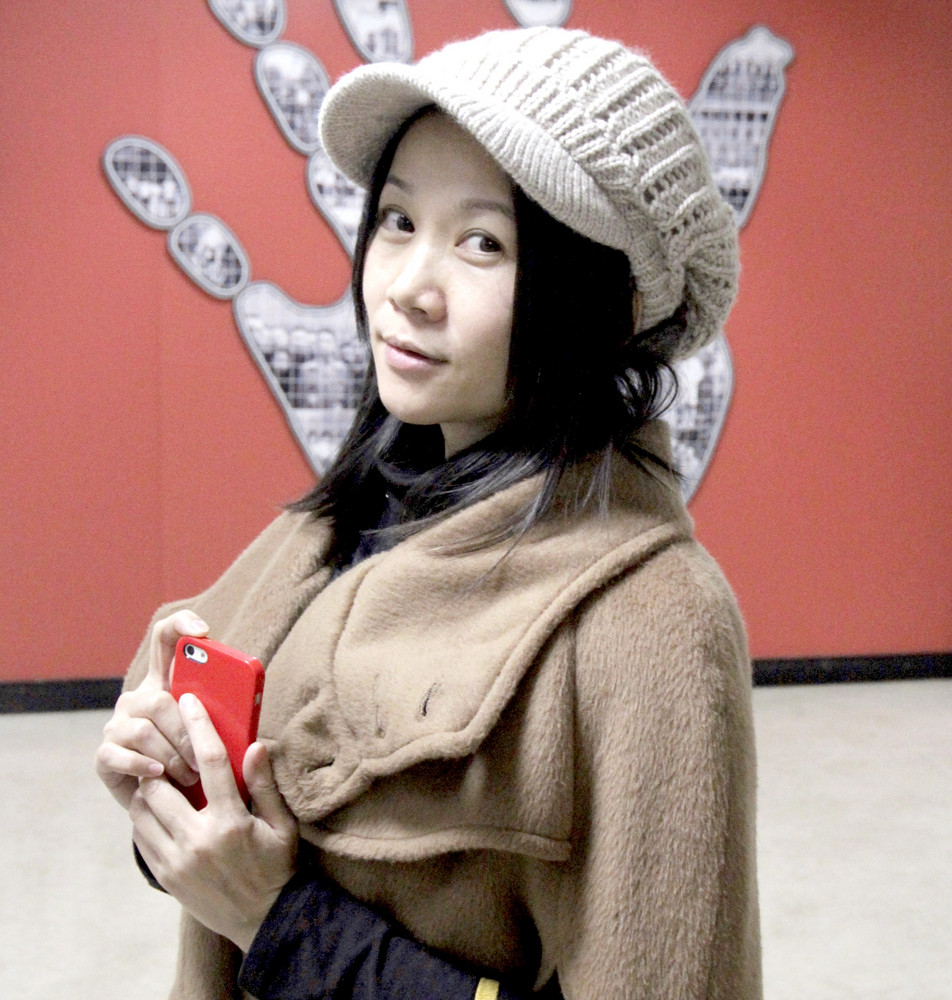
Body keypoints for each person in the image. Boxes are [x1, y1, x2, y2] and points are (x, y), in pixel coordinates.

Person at [96, 25, 760, 1000]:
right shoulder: (337, 523)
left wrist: (285, 928)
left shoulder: (651, 622)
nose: (407, 287)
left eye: (483, 242)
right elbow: (236, 865)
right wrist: (170, 803)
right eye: (398, 220)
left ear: (601, 305)